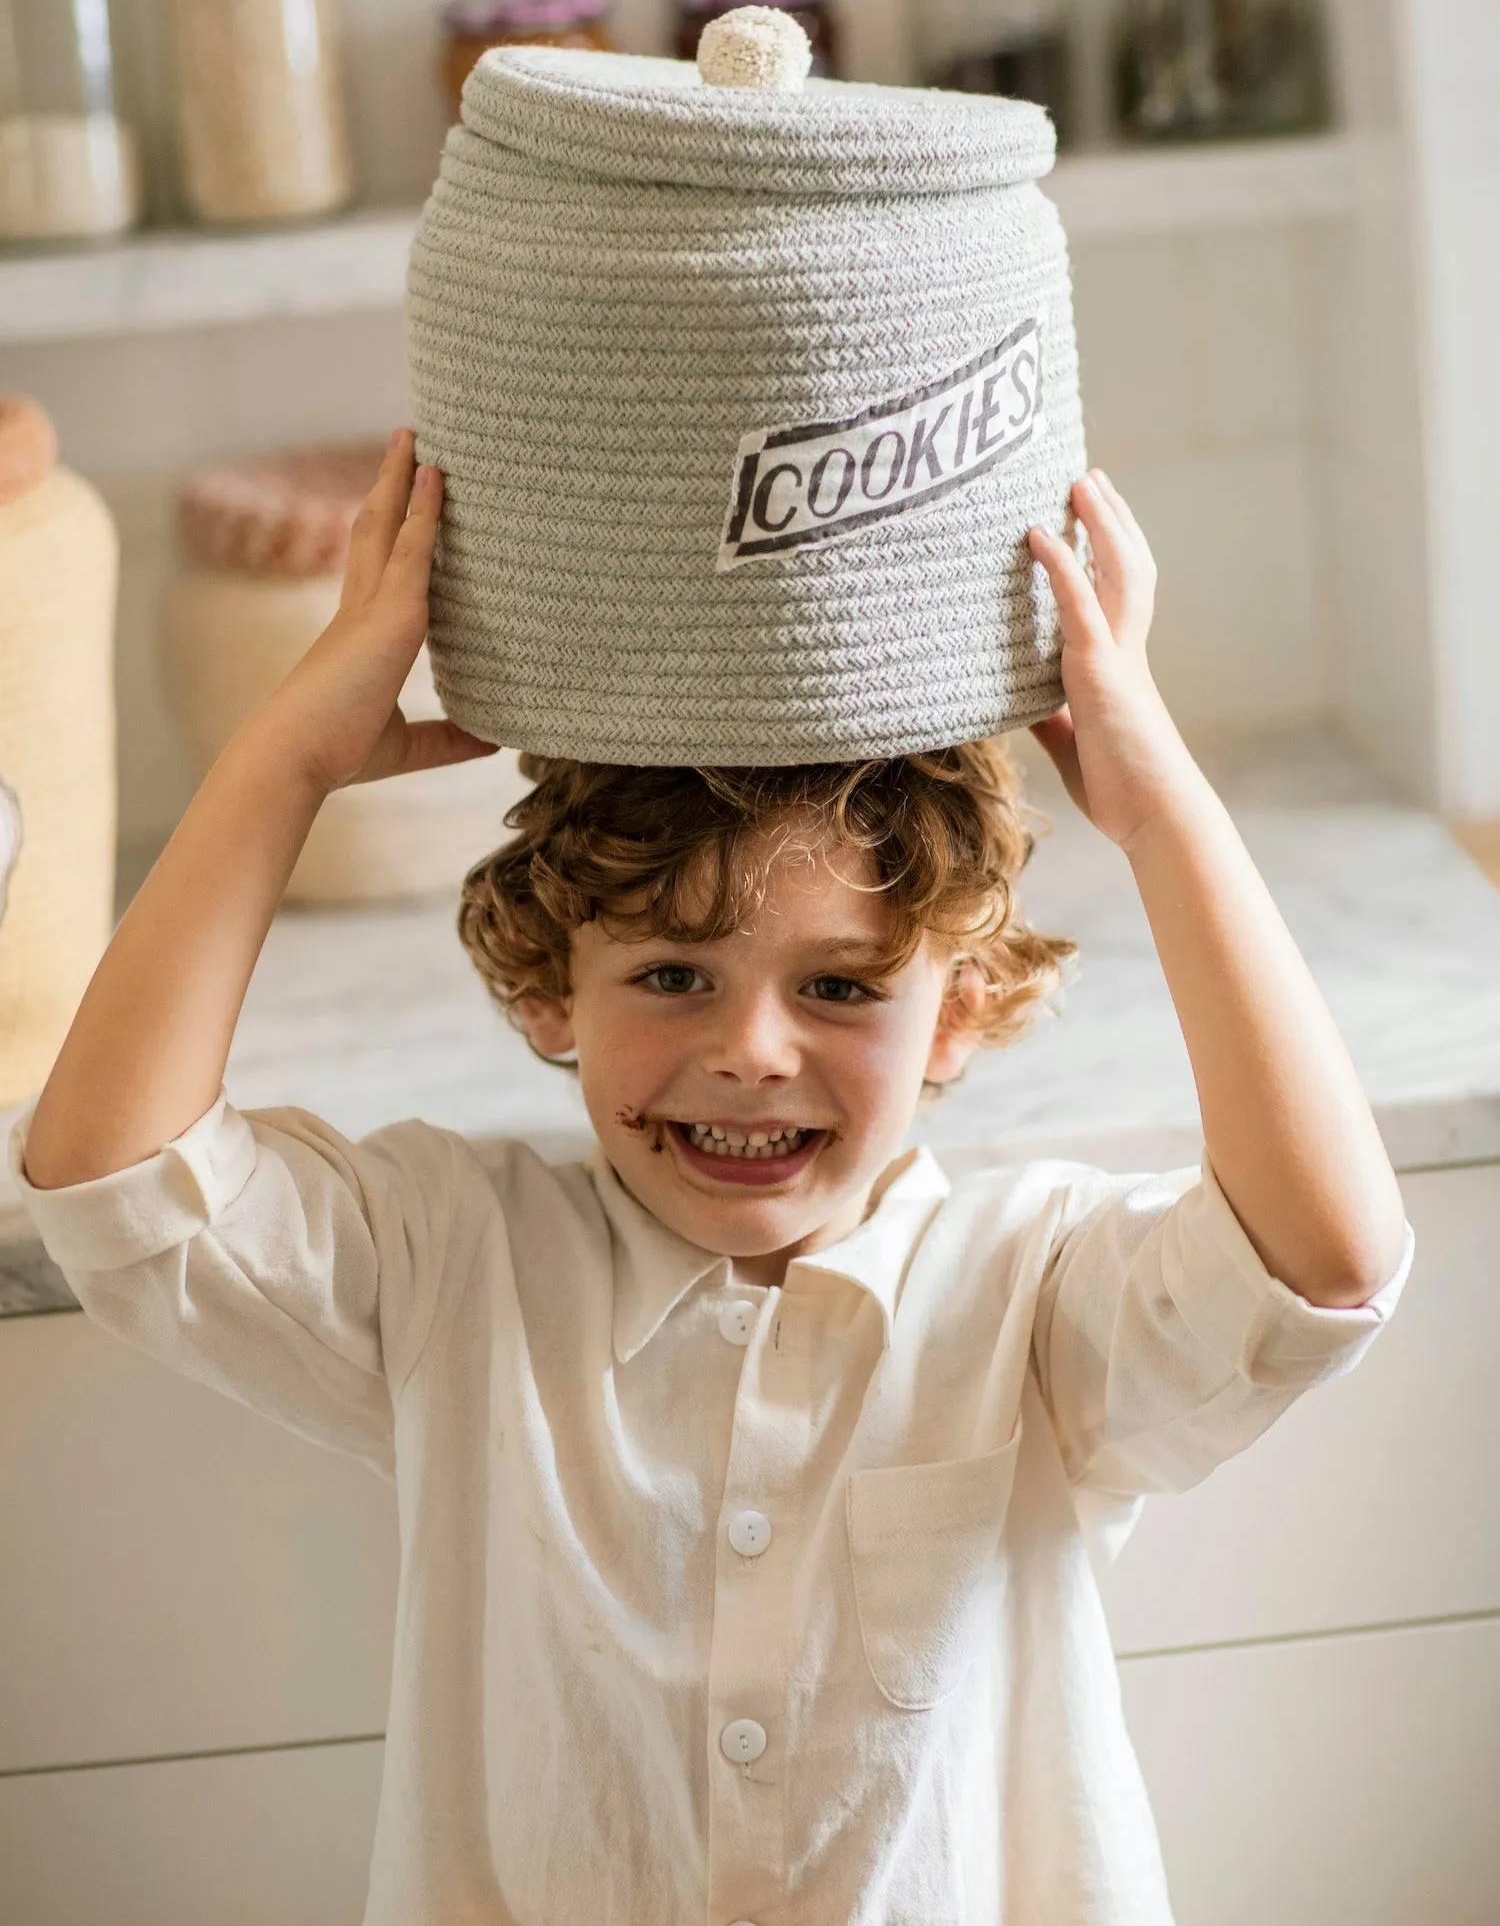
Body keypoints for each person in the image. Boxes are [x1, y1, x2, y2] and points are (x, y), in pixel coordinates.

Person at [17, 430, 1411, 1925]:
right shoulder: (454, 1266)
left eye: (843, 988)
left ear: (964, 1011)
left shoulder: (1029, 1287)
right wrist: (288, 756)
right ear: (551, 986)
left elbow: (1321, 1262)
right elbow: (115, 1171)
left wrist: (1163, 809)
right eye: (675, 973)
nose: (750, 1050)